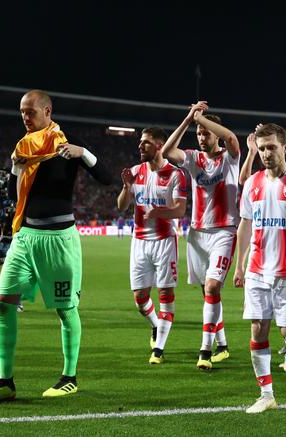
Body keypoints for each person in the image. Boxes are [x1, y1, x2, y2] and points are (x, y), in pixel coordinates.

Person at [0, 90, 112, 404]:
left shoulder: (66, 142)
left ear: (46, 111)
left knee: (65, 310)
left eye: (30, 112)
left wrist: (82, 153)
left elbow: (104, 177)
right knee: (5, 303)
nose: (25, 118)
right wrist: (14, 171)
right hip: (25, 238)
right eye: (22, 112)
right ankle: (5, 381)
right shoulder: (22, 148)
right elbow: (13, 191)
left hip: (58, 240)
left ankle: (69, 377)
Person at [233, 123, 286, 414]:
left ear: (285, 147)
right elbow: (245, 223)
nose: (266, 153)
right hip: (257, 268)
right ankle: (266, 394)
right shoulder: (252, 183)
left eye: (271, 147)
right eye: (261, 148)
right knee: (258, 330)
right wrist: (240, 263)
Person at [162, 101, 239, 369]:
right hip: (196, 233)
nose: (201, 137)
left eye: (205, 133)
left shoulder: (230, 158)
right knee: (207, 293)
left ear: (214, 133)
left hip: (224, 231)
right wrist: (188, 119)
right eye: (199, 134)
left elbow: (230, 137)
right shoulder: (194, 158)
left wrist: (202, 119)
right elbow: (167, 151)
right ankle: (223, 344)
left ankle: (204, 351)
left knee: (212, 287)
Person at [118, 127, 187, 365]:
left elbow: (180, 209)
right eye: (140, 142)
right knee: (140, 298)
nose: (140, 146)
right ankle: (157, 326)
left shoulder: (175, 175)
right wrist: (127, 187)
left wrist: (157, 211)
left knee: (166, 294)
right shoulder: (136, 172)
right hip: (139, 243)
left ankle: (158, 349)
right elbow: (121, 206)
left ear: (159, 146)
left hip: (164, 242)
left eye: (146, 143)